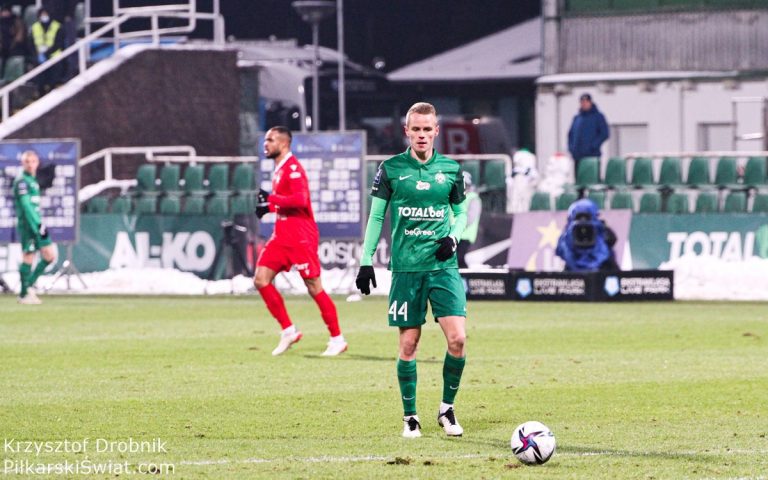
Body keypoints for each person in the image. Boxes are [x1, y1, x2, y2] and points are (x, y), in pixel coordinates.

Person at [355, 102, 469, 438]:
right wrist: (366, 260)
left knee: (458, 339)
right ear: (406, 131)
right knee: (408, 345)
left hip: (443, 267)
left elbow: (462, 213)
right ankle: (410, 416)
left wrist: (453, 237)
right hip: (406, 269)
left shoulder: (451, 169)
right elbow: (377, 216)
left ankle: (446, 409)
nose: (421, 135)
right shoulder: (390, 169)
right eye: (415, 129)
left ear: (436, 131)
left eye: (427, 129)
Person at [253, 126, 348, 357]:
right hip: (281, 235)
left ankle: (337, 339)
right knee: (261, 279)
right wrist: (269, 207)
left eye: (270, 140)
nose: (266, 144)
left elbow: (301, 200)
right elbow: (286, 202)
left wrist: (271, 199)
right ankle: (288, 330)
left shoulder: (293, 168)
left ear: (284, 143)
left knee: (314, 287)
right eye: (265, 140)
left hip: (300, 237)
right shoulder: (279, 169)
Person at [13, 150, 57, 304]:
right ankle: (25, 294)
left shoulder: (33, 180)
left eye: (33, 161)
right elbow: (26, 206)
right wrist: (37, 225)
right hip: (29, 225)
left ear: (37, 163)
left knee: (49, 256)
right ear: (22, 163)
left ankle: (27, 288)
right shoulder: (22, 181)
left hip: (38, 223)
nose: (30, 164)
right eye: (27, 162)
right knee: (29, 256)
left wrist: (39, 223)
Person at [555, 198, 618, 272]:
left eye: (587, 217)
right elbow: (560, 250)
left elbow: (612, 240)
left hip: (602, 267)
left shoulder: (601, 229)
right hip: (573, 269)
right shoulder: (567, 234)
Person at [567, 93, 609, 171]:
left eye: (586, 102)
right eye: (582, 102)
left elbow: (604, 134)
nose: (584, 104)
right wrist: (571, 148)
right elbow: (570, 134)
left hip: (592, 157)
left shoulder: (598, 117)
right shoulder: (577, 118)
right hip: (578, 157)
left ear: (590, 102)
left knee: (591, 177)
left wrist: (593, 146)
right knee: (579, 178)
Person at [30, 7, 64, 94]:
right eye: (42, 14)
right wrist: (37, 54)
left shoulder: (57, 26)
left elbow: (59, 43)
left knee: (53, 77)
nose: (44, 16)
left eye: (45, 14)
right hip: (39, 57)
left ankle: (52, 87)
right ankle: (40, 91)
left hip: (54, 56)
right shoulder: (35, 27)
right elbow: (31, 43)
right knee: (39, 76)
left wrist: (47, 52)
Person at [457, 171, 481, 268]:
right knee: (457, 260)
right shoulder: (455, 197)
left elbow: (470, 218)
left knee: (458, 258)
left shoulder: (473, 198)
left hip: (465, 235)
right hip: (455, 235)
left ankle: (465, 275)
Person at [0, 4, 26, 78]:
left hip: (14, 47)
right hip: (2, 48)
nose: (5, 13)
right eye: (3, 12)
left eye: (6, 11)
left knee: (16, 57)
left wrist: (13, 45)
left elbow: (20, 36)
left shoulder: (16, 21)